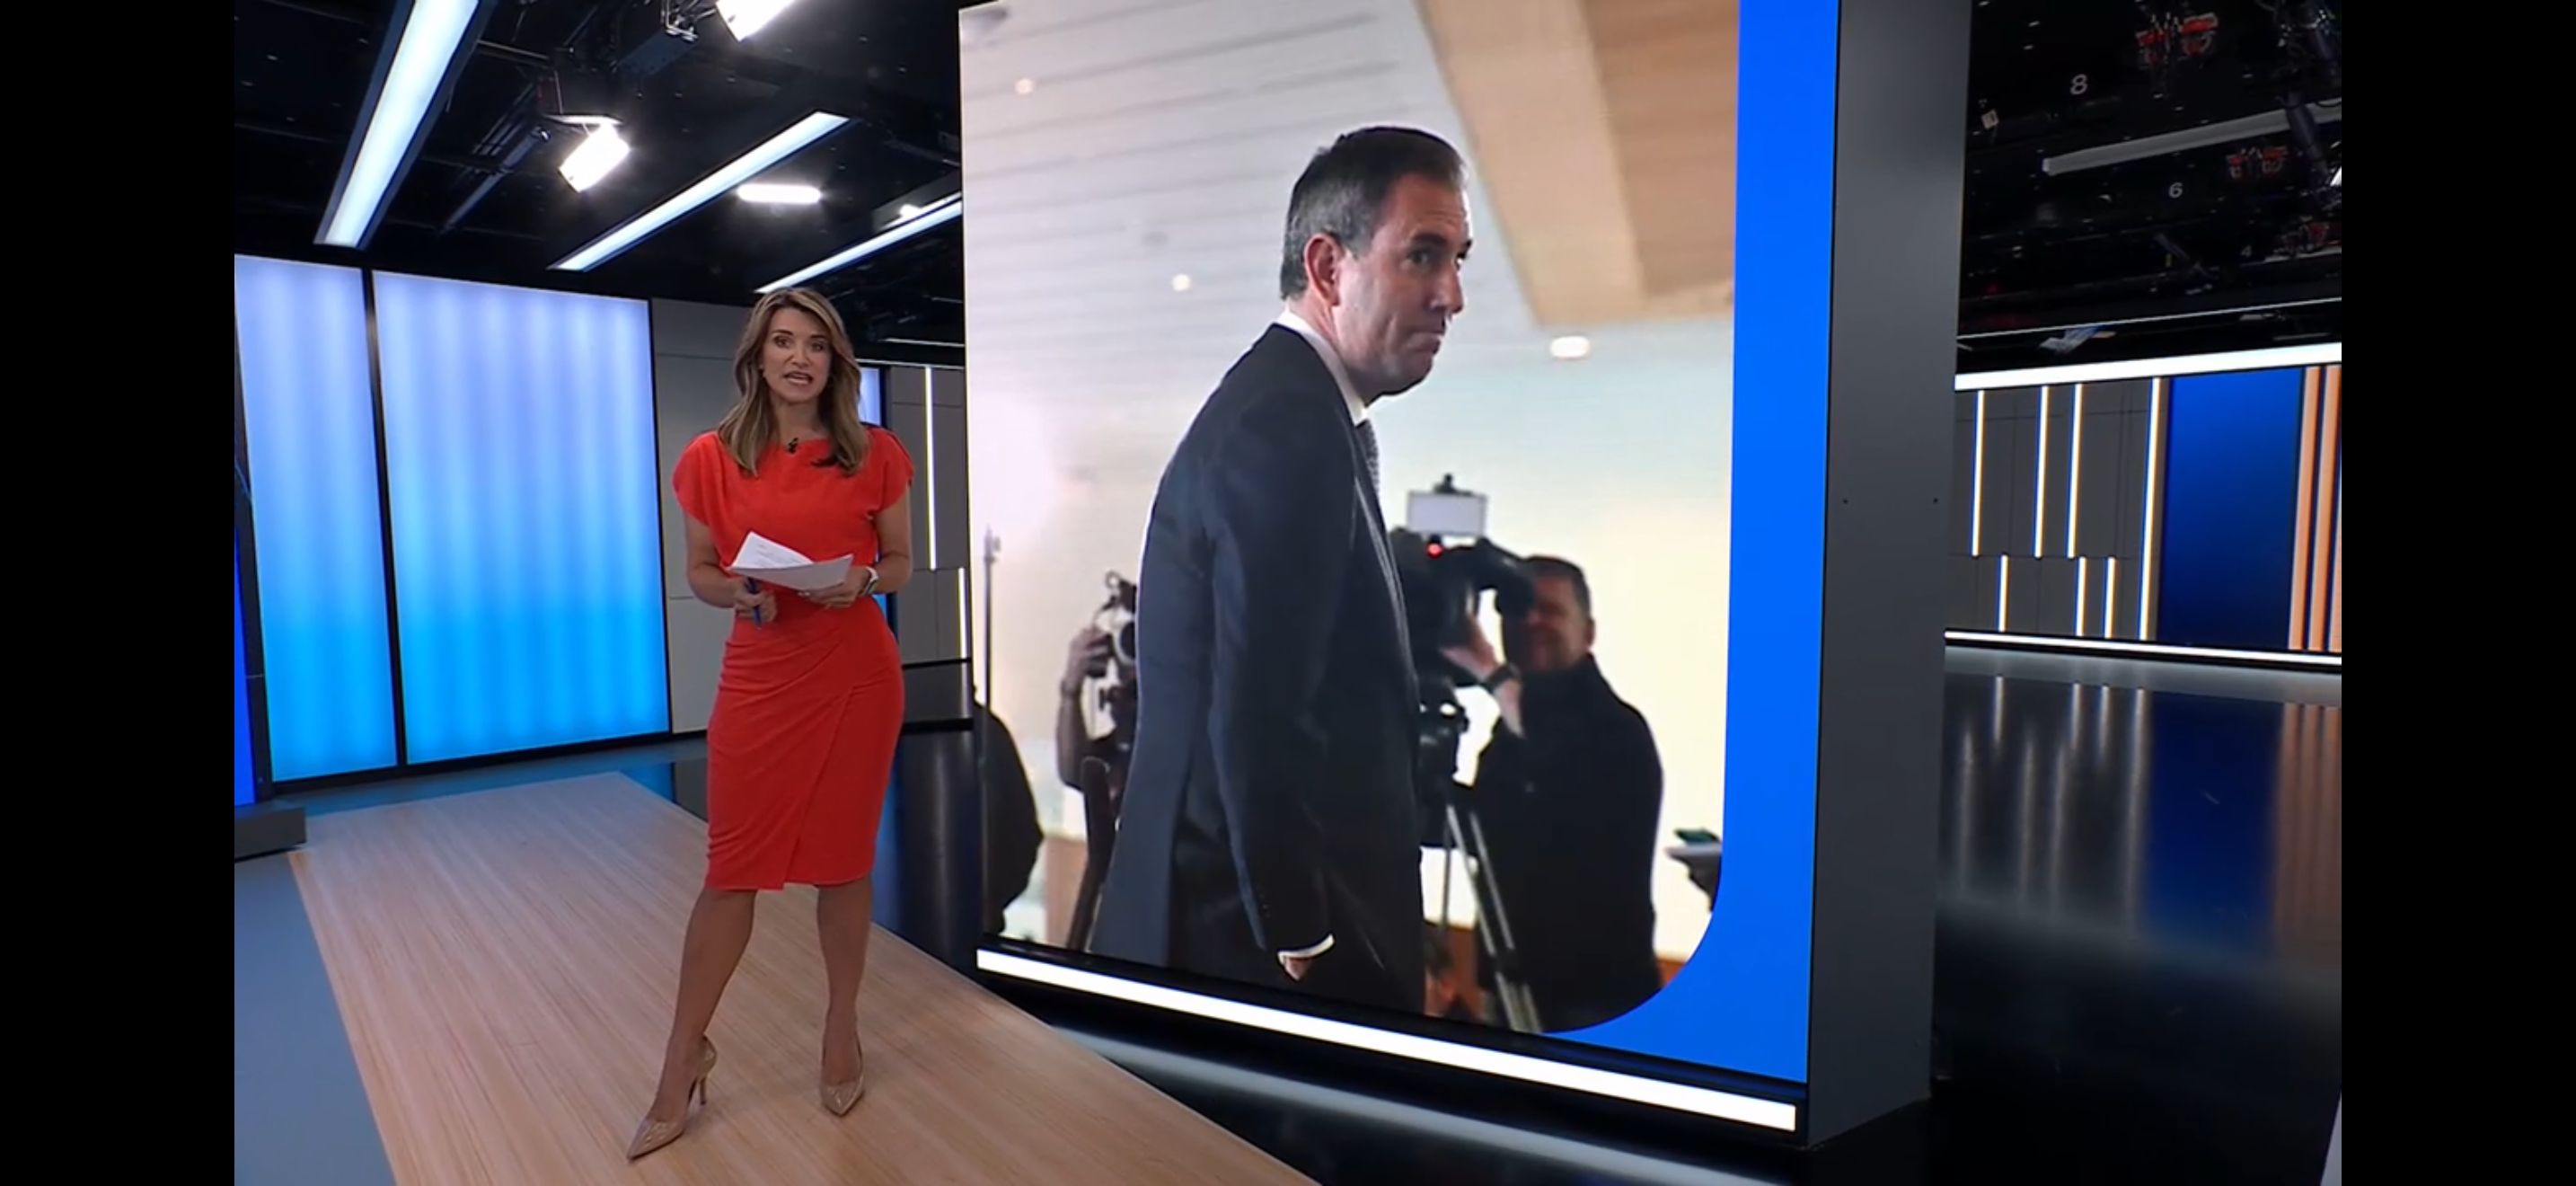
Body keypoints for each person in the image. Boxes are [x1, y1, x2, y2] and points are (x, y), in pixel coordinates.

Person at [1090, 126, 1472, 1013]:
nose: (1452, 295)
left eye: (1458, 260)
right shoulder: (1287, 425)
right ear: (1330, 267)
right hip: (1248, 950)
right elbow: (1259, 708)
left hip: (1235, 931)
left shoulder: (1299, 411)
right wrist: (1302, 931)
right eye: (1422, 256)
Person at [627, 288, 915, 1160]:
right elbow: (701, 571)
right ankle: (683, 1057)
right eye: (784, 342)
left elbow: (900, 560)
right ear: (756, 357)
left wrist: (864, 580)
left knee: (843, 865)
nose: (800, 358)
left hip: (856, 678)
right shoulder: (710, 459)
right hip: (761, 676)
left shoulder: (875, 453)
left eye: (816, 345)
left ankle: (841, 1027)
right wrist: (739, 590)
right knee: (732, 871)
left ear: (835, 363)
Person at [1439, 556, 1667, 1032]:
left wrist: (1492, 674)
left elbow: (1556, 781)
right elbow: (1487, 826)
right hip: (1509, 985)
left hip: (1593, 999)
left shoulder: (1617, 729)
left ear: (1589, 632)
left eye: (1550, 610)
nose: (1531, 621)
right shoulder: (1509, 732)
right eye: (1517, 609)